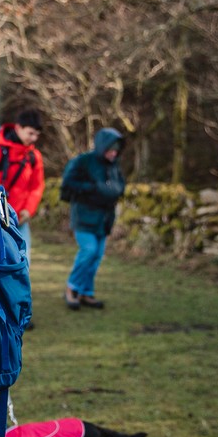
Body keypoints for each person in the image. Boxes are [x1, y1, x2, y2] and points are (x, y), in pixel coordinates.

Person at [60, 128, 126, 310]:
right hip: (84, 216)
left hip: (104, 218)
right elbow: (68, 185)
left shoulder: (113, 165)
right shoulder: (83, 161)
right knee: (88, 250)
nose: (114, 153)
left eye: (116, 150)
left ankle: (86, 292)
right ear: (103, 146)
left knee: (96, 256)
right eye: (111, 149)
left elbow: (120, 185)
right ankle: (71, 288)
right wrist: (93, 188)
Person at [0, 109, 45, 260]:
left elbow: (36, 186)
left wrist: (28, 210)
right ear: (18, 127)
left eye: (37, 135)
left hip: (19, 219)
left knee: (23, 260)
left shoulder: (34, 157)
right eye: (30, 133)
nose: (34, 138)